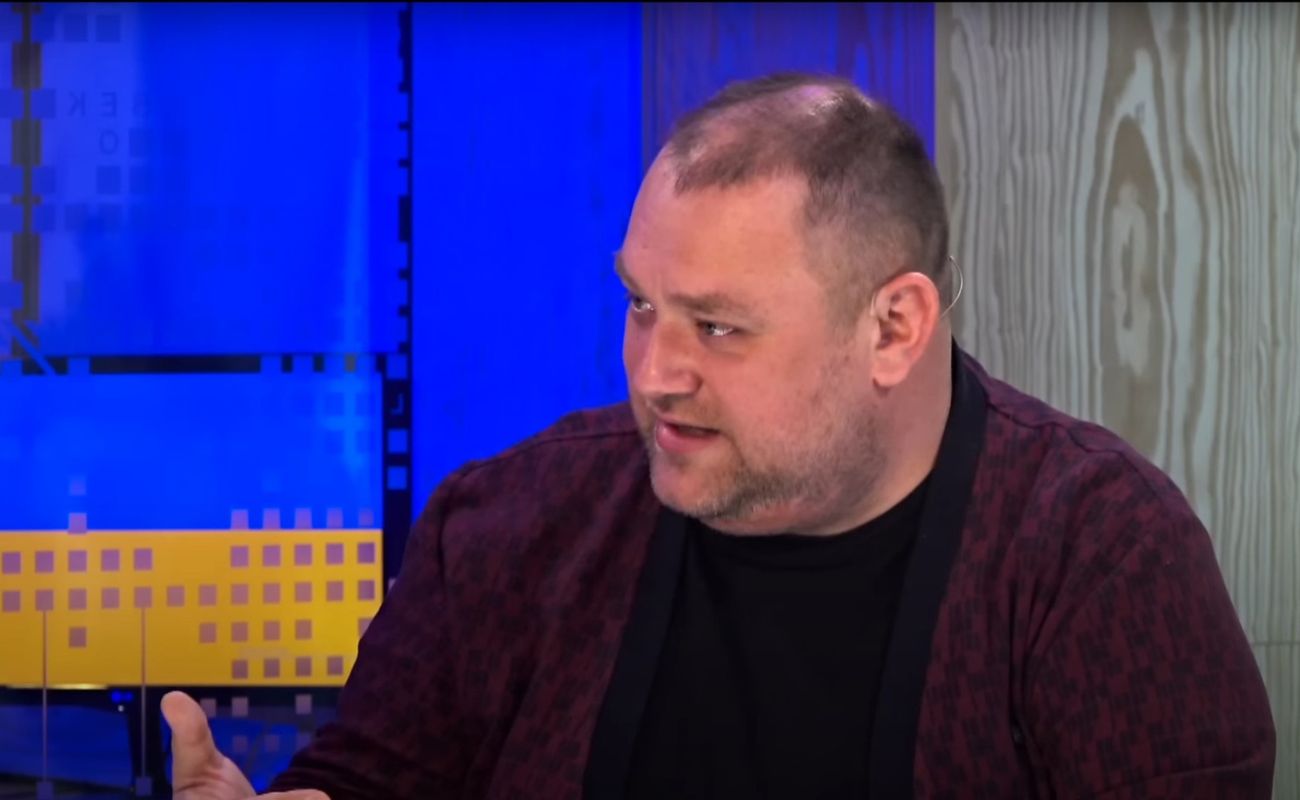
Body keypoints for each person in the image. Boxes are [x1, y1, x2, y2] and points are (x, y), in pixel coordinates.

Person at [162, 72, 1276, 799]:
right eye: (639, 304)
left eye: (718, 327)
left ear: (894, 328)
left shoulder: (1100, 557)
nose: (655, 373)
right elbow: (374, 779)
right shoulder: (508, 524)